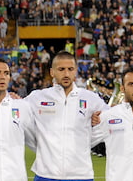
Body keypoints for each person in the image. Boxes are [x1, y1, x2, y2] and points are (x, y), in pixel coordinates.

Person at [27, 51, 107, 181]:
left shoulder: (91, 98)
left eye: (70, 69)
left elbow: (111, 120)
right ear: (52, 72)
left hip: (81, 175)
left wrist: (87, 140)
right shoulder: (37, 97)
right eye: (61, 69)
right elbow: (15, 115)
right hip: (45, 175)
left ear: (75, 71)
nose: (66, 74)